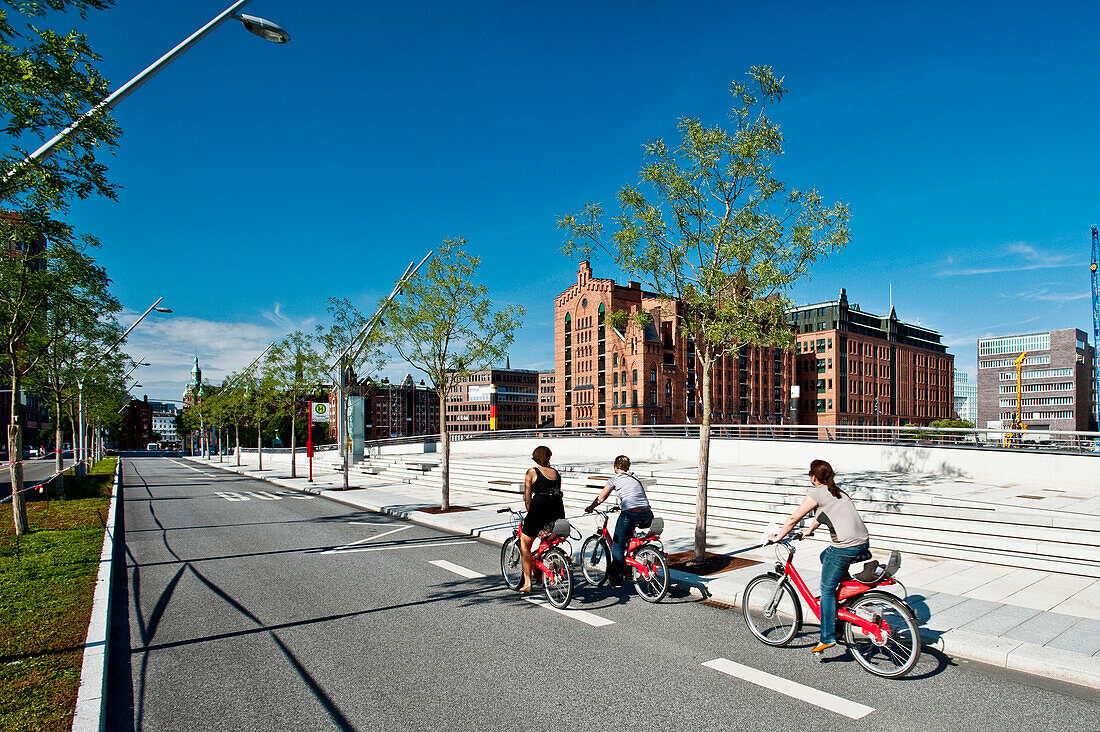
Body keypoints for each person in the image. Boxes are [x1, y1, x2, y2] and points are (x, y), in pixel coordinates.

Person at [769, 459, 870, 655]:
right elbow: (823, 514)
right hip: (863, 542)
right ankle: (847, 598)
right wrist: (808, 530)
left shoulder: (817, 492)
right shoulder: (836, 491)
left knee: (826, 590)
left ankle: (828, 637)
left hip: (845, 547)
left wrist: (777, 537)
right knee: (826, 556)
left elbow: (793, 518)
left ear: (813, 477)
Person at [585, 455, 653, 586]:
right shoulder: (634, 477)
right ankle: (629, 566)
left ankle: (616, 579)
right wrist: (622, 505)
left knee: (617, 546)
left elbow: (601, 497)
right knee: (628, 537)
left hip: (630, 514)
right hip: (646, 513)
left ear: (615, 467)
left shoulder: (614, 479)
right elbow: (634, 495)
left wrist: (591, 507)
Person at [518, 445, 565, 593]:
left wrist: (530, 514)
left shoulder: (532, 472)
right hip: (558, 513)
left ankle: (527, 583)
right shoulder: (556, 473)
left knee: (525, 545)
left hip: (539, 511)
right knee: (547, 541)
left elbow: (527, 499)